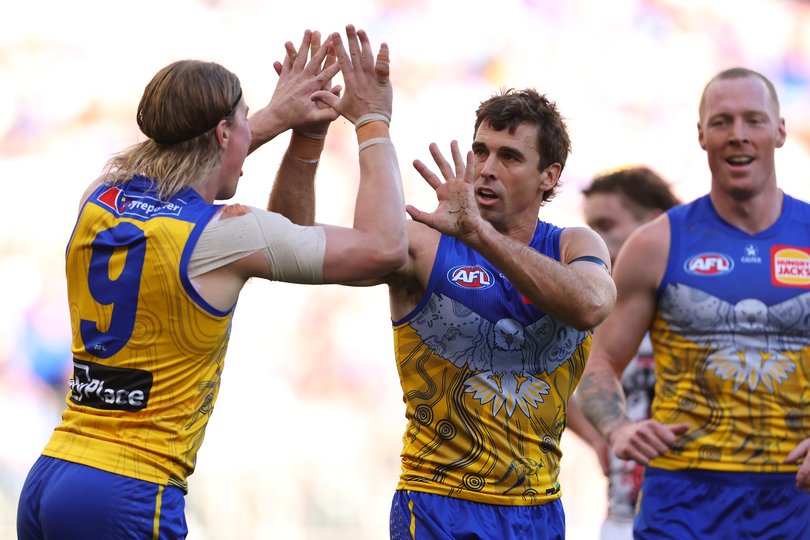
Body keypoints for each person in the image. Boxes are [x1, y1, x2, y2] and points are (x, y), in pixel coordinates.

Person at [16, 25, 407, 540]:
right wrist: (373, 121)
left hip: (52, 474)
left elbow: (183, 163)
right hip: (128, 491)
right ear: (225, 133)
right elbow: (384, 250)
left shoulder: (102, 194)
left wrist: (294, 124)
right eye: (244, 123)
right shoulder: (225, 235)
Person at [274, 87, 617, 538]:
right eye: (481, 151)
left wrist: (480, 236)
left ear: (549, 177)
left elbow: (590, 305)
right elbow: (287, 246)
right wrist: (308, 138)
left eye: (510, 157)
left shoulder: (575, 245)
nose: (487, 169)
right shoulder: (422, 244)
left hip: (538, 508)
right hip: (438, 505)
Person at [576, 67, 810, 540]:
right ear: (701, 134)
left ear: (780, 131)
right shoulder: (656, 244)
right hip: (681, 502)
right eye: (722, 122)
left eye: (754, 120)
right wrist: (617, 427)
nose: (738, 136)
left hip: (795, 499)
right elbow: (599, 362)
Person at [565, 166, 681, 540]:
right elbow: (548, 379)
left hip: (703, 506)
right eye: (589, 228)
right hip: (624, 515)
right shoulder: (593, 305)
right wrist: (603, 434)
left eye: (605, 225)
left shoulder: (698, 302)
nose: (593, 241)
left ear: (653, 224)